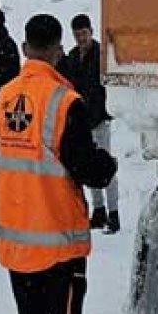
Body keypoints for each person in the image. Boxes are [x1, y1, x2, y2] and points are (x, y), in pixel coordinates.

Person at [0, 14, 117, 314]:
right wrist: (109, 163)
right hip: (60, 244)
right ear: (58, 51)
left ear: (25, 49)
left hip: (18, 244)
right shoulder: (65, 102)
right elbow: (89, 170)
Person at [58, 14, 121, 234]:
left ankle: (114, 213)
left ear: (91, 32)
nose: (81, 38)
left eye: (84, 33)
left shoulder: (101, 55)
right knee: (88, 164)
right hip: (82, 121)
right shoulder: (73, 57)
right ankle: (99, 210)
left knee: (106, 165)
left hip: (100, 118)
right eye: (77, 35)